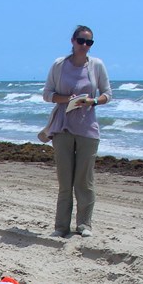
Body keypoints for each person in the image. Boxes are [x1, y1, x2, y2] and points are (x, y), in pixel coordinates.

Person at [42, 25, 112, 238]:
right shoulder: (59, 65)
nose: (84, 46)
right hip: (63, 126)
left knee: (84, 180)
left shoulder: (97, 65)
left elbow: (107, 94)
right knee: (65, 180)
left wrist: (93, 101)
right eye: (81, 41)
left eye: (89, 42)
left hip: (87, 128)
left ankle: (84, 225)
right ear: (72, 41)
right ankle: (61, 226)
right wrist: (68, 100)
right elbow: (47, 94)